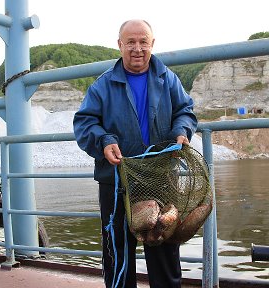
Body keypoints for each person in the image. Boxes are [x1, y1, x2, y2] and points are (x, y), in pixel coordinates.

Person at [73, 19, 198, 288]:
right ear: (120, 45)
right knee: (117, 254)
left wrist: (182, 131)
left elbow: (185, 111)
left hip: (161, 178)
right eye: (130, 42)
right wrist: (104, 141)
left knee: (164, 251)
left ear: (152, 44)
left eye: (143, 41)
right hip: (116, 181)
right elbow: (84, 123)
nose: (137, 48)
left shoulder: (168, 79)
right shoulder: (102, 85)